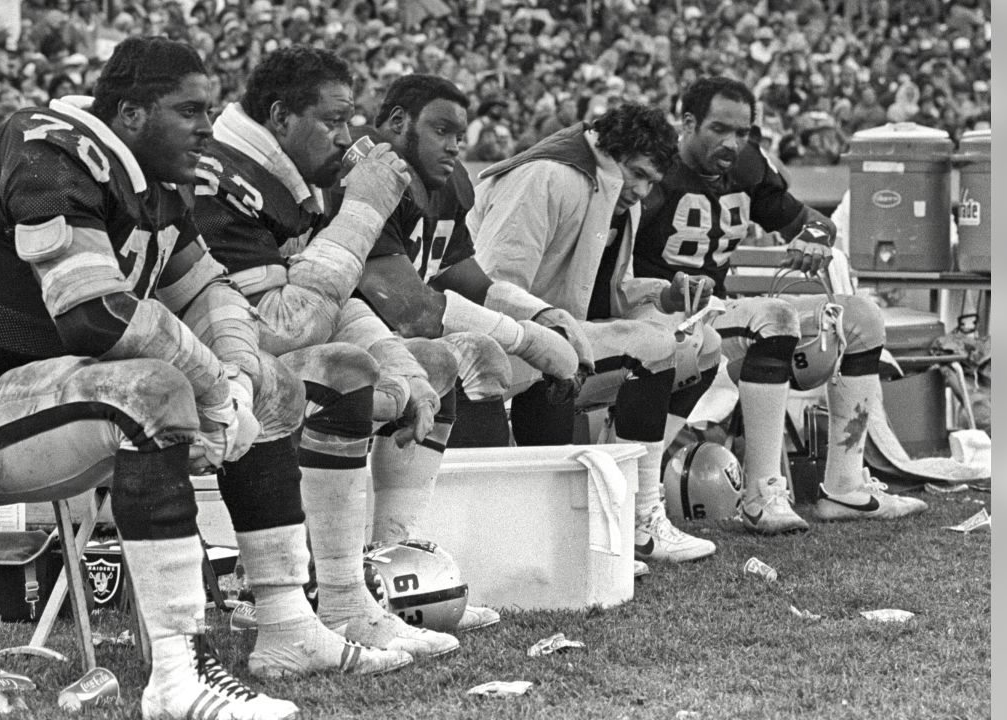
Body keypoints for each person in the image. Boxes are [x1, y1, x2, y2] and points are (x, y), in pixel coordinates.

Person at [0, 36, 372, 720]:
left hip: (67, 404)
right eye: (189, 110)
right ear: (129, 114)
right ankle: (178, 674)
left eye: (209, 109)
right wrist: (212, 388)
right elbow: (92, 314)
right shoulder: (48, 148)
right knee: (156, 390)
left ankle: (287, 624)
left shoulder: (155, 181)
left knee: (274, 386)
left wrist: (238, 379)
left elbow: (209, 293)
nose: (208, 126)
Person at [190, 46, 492, 661]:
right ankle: (339, 596)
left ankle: (381, 571)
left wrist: (403, 363)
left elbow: (331, 298)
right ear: (280, 118)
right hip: (205, 373)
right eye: (334, 121)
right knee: (342, 373)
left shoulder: (284, 173)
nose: (348, 136)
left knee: (433, 362)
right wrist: (361, 212)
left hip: (244, 363)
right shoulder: (223, 181)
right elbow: (281, 327)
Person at [630, 76, 928, 530]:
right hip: (658, 319)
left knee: (862, 318)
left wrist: (811, 240)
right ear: (687, 123)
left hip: (718, 315)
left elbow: (813, 224)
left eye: (743, 132)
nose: (732, 143)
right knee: (774, 317)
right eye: (718, 129)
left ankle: (845, 488)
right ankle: (761, 495)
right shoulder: (653, 171)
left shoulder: (747, 166)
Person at [465, 103, 719, 570]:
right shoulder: (547, 176)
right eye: (637, 174)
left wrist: (663, 297)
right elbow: (487, 284)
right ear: (606, 148)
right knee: (654, 347)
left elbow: (605, 294)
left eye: (651, 181)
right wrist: (550, 323)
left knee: (701, 346)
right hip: (496, 343)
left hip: (547, 338)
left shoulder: (609, 189)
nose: (641, 191)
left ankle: (616, 502)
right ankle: (637, 519)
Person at [355, 74, 585, 451]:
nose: (453, 148)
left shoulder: (443, 183)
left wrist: (543, 315)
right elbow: (412, 310)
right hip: (355, 340)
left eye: (459, 137)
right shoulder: (370, 169)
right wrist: (525, 338)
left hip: (397, 345)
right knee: (476, 355)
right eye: (441, 130)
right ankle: (472, 502)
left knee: (506, 361)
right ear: (398, 122)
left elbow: (470, 281)